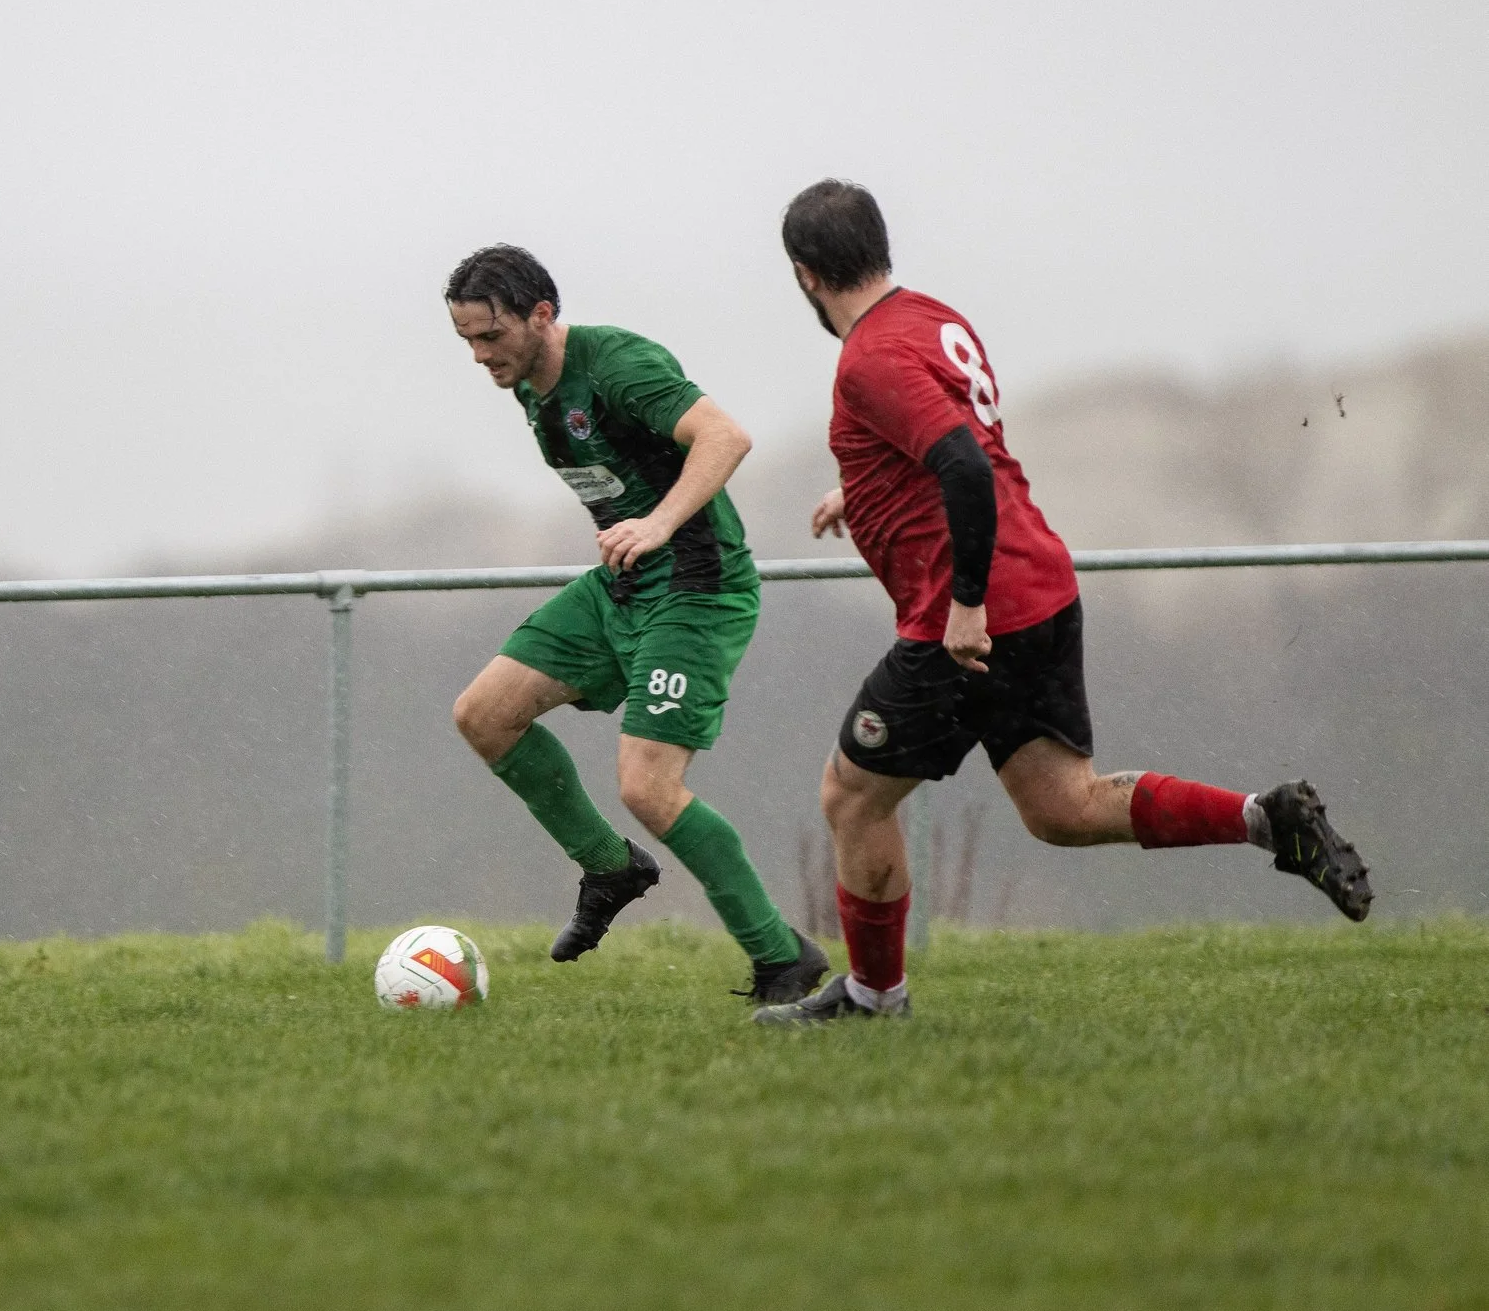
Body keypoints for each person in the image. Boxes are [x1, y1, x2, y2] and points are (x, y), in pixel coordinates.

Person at [754, 181, 1372, 1025]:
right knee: (1063, 808)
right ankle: (1270, 820)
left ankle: (872, 997)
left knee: (851, 795)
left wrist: (966, 605)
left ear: (804, 276)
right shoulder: (934, 318)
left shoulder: (866, 359)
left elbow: (965, 469)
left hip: (968, 617)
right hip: (1041, 583)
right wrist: (858, 488)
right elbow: (955, 446)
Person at [445, 244, 828, 1005]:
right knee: (484, 716)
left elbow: (726, 437)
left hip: (695, 586)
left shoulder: (618, 364)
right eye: (467, 343)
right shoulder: (530, 386)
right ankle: (609, 867)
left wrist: (655, 524)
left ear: (543, 315)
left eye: (491, 337)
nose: (481, 358)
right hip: (620, 589)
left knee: (649, 788)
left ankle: (784, 959)